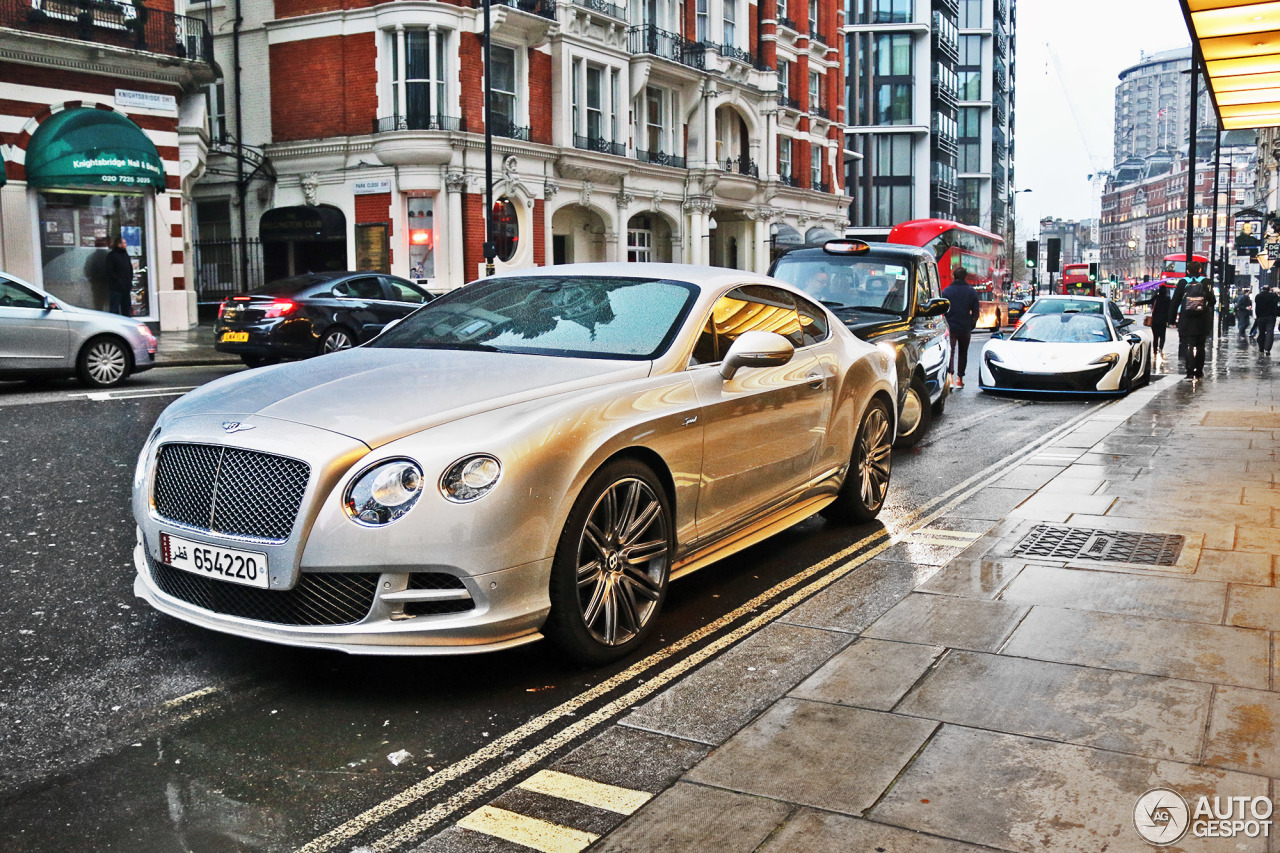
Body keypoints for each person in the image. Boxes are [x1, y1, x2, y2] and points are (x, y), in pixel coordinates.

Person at [1170, 260, 1216, 379]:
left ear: (1188, 271)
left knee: (1188, 345)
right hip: (1202, 318)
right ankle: (1199, 370)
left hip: (1187, 318)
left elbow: (1175, 302)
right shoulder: (1206, 282)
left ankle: (1189, 371)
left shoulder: (1182, 282)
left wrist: (1171, 319)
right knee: (1201, 345)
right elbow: (1212, 301)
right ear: (1200, 270)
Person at [942, 266, 981, 388]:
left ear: (954, 276)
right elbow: (976, 312)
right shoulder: (971, 291)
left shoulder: (946, 291)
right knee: (963, 353)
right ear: (965, 276)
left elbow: (942, 310)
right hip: (965, 327)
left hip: (951, 326)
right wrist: (971, 325)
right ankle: (960, 379)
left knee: (951, 352)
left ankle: (951, 378)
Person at [105, 237, 134, 317]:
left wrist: (129, 280)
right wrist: (118, 280)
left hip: (126, 286)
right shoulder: (112, 255)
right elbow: (110, 271)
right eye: (124, 243)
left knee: (126, 307)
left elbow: (129, 268)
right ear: (119, 244)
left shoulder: (125, 255)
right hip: (116, 287)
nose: (125, 245)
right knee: (114, 308)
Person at [1255, 283, 1278, 357]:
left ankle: (1261, 348)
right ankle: (1267, 349)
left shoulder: (1258, 296)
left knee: (1261, 333)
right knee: (1269, 333)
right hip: (1271, 317)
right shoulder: (1273, 295)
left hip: (1261, 317)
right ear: (1269, 290)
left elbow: (1257, 307)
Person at [1150, 282, 1172, 355]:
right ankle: (1160, 348)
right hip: (1163, 321)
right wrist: (1170, 321)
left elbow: (1148, 301)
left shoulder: (1156, 298)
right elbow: (1170, 310)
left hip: (1155, 320)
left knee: (1155, 337)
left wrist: (1137, 303)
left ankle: (1155, 351)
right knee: (1162, 336)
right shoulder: (1168, 299)